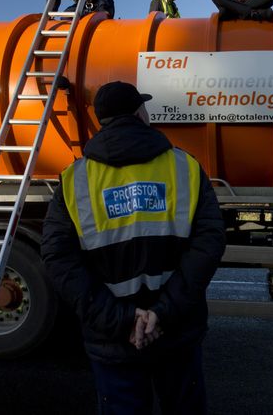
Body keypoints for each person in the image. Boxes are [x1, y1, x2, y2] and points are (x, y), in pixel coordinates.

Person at [41, 81, 226, 414]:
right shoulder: (184, 167)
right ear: (140, 112)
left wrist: (124, 320)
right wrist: (162, 312)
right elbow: (209, 243)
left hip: (112, 339)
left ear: (101, 121)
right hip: (176, 330)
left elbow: (59, 259)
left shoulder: (74, 180)